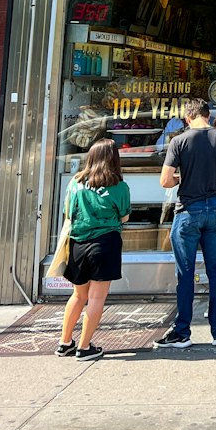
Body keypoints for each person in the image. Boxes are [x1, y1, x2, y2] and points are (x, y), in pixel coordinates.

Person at [153, 97, 216, 350]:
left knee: (186, 273)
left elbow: (165, 180)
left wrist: (184, 178)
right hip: (215, 209)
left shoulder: (179, 141)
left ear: (187, 117)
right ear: (208, 115)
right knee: (215, 271)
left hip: (188, 212)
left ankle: (182, 332)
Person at [56, 138, 131, 362]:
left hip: (78, 243)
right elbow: (124, 216)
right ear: (113, 159)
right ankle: (84, 347)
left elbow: (67, 212)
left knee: (78, 295)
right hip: (104, 244)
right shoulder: (119, 186)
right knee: (97, 298)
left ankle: (65, 342)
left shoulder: (75, 182)